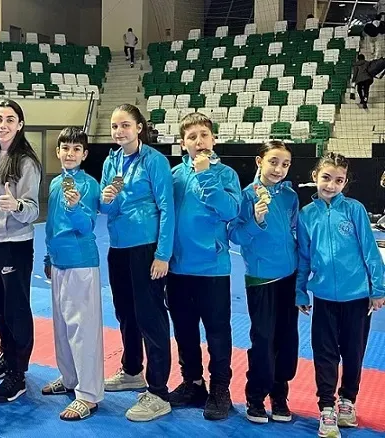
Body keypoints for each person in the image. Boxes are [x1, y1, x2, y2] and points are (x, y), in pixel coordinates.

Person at [296, 152, 385, 438]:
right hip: (324, 299)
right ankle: (326, 407)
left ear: (345, 182)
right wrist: (300, 291)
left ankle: (347, 401)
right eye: (326, 178)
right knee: (324, 355)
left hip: (357, 298)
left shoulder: (355, 210)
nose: (331, 185)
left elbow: (370, 252)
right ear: (315, 177)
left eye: (338, 180)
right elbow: (303, 257)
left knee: (353, 352)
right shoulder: (306, 215)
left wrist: (378, 289)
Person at [100, 104, 175, 422]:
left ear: (139, 127)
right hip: (118, 246)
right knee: (126, 313)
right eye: (115, 126)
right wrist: (107, 198)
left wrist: (163, 254)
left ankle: (158, 391)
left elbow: (167, 207)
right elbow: (106, 209)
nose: (119, 131)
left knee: (150, 316)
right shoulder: (110, 161)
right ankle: (132, 370)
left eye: (125, 125)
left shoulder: (154, 161)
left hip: (146, 247)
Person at [167, 112, 241, 421]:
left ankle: (220, 388)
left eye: (204, 135)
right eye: (192, 137)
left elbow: (230, 210)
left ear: (214, 139)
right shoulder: (173, 175)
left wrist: (205, 175)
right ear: (182, 143)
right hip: (177, 268)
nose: (199, 141)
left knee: (218, 333)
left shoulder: (225, 174)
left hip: (212, 269)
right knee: (184, 331)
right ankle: (193, 383)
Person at [227, 141, 299, 424]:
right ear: (260, 161)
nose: (279, 169)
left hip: (289, 277)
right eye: (273, 162)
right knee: (263, 339)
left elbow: (294, 232)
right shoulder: (246, 196)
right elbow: (235, 235)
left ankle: (279, 395)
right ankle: (256, 397)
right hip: (261, 278)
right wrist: (256, 219)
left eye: (285, 164)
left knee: (287, 340)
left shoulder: (290, 196)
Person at [0, 99, 42, 403]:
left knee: (16, 308)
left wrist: (16, 206)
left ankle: (18, 372)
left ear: (20, 125)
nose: (3, 125)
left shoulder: (26, 162)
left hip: (13, 245)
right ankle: (6, 354)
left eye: (9, 119)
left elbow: (32, 209)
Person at [42, 127, 103, 421]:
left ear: (85, 154)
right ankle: (69, 378)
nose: (70, 153)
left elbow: (87, 225)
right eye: (65, 148)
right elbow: (51, 225)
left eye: (76, 149)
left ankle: (88, 394)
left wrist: (76, 206)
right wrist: (48, 256)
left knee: (82, 330)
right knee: (62, 327)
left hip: (81, 262)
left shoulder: (89, 184)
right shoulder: (56, 183)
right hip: (59, 262)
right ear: (58, 152)